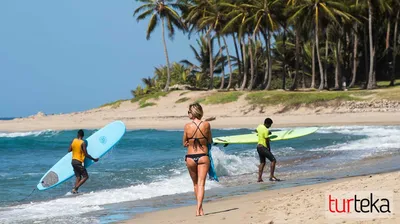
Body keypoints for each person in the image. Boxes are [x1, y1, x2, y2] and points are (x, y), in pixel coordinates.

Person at [183, 103, 212, 216]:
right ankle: (199, 208)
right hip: (203, 157)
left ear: (193, 112)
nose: (188, 114)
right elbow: (209, 141)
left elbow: (184, 142)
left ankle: (200, 208)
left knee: (195, 184)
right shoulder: (207, 125)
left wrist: (189, 142)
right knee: (201, 184)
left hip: (190, 157)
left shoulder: (187, 126)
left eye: (189, 112)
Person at [68, 129, 99, 194]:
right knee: (86, 176)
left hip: (73, 161)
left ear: (78, 134)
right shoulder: (83, 143)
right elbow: (86, 154)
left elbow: (69, 150)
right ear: (83, 136)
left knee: (78, 177)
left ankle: (75, 192)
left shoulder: (74, 140)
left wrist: (75, 147)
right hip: (78, 162)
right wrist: (94, 159)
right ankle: (75, 188)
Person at [256, 118, 280, 182]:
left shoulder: (259, 126)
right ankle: (271, 176)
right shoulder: (266, 130)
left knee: (262, 162)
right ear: (268, 124)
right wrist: (269, 148)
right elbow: (267, 140)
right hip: (263, 147)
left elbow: (256, 131)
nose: (270, 126)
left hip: (258, 147)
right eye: (270, 125)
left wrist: (262, 133)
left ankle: (259, 178)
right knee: (273, 160)